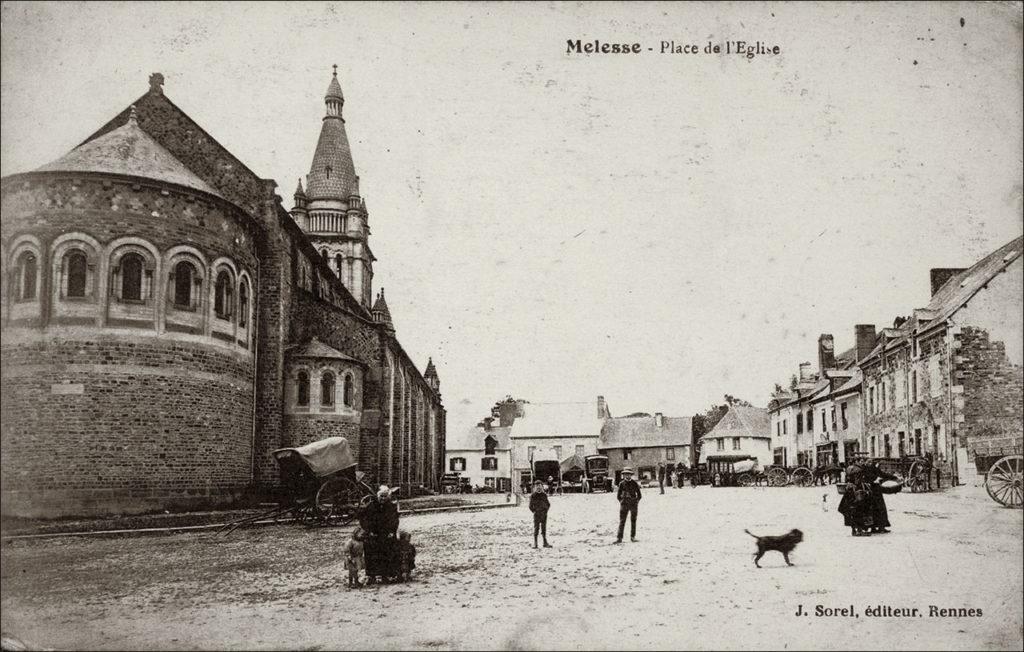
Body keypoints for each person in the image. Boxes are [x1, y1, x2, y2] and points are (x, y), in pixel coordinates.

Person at [862, 459, 898, 533]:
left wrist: (894, 477)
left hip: (874, 492)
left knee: (876, 509)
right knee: (876, 509)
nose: (870, 463)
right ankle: (877, 527)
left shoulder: (871, 468)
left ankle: (878, 527)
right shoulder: (865, 469)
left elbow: (883, 474)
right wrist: (874, 479)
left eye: (871, 462)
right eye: (868, 462)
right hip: (872, 492)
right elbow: (868, 477)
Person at [614, 467, 642, 543]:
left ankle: (633, 537)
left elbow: (639, 495)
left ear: (631, 475)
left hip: (633, 504)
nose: (627, 476)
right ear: (623, 475)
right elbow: (618, 496)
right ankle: (619, 538)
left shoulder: (634, 483)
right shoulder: (621, 484)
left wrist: (636, 502)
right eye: (625, 474)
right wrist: (622, 501)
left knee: (633, 520)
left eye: (629, 474)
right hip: (624, 504)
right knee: (622, 521)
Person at [529, 479, 552, 548]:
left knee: (543, 529)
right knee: (536, 528)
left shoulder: (544, 495)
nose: (538, 487)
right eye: (537, 486)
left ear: (542, 486)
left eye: (539, 486)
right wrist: (535, 511)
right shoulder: (533, 495)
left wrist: (545, 510)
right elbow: (530, 506)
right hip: (537, 514)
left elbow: (548, 504)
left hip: (544, 514)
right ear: (535, 487)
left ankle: (545, 543)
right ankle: (535, 544)